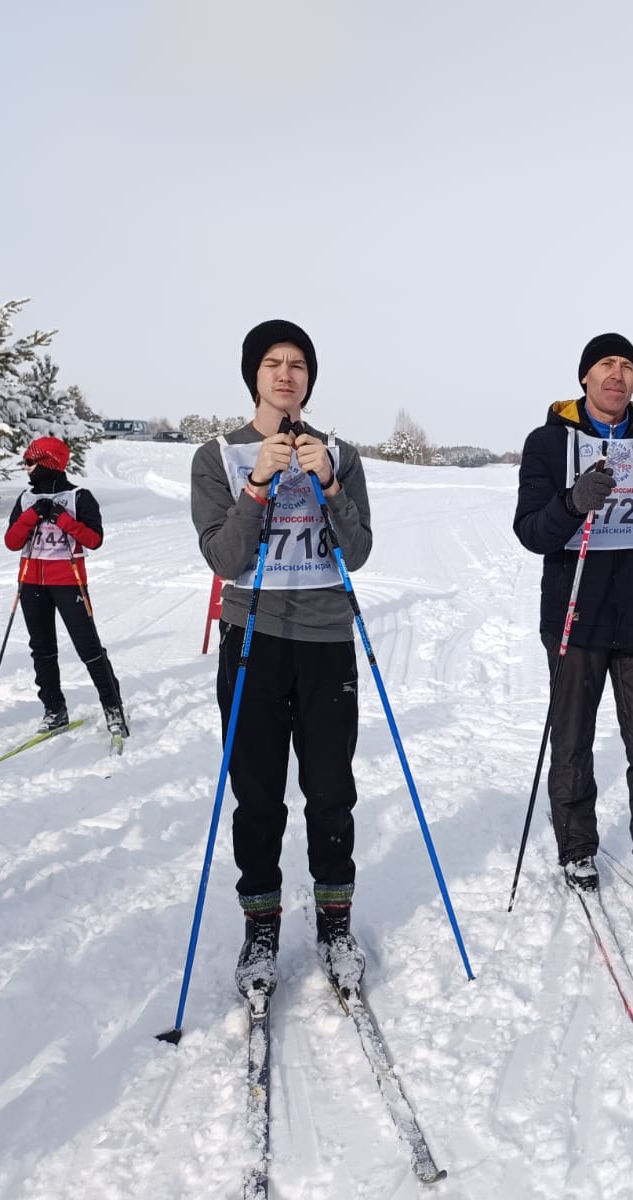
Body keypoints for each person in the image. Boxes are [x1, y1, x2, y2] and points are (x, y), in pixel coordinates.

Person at [190, 319, 373, 996]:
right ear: (254, 374)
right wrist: (258, 487)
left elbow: (357, 552)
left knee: (330, 791)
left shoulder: (342, 454)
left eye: (298, 364)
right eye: (273, 362)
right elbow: (222, 557)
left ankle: (334, 924)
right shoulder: (218, 455)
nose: (286, 374)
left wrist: (330, 488)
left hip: (327, 637)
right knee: (258, 793)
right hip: (253, 640)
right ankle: (260, 926)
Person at [512, 333, 633, 924]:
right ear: (585, 378)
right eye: (606, 365)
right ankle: (576, 847)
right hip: (574, 610)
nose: (617, 375)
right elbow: (531, 531)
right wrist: (573, 502)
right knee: (571, 737)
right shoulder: (548, 442)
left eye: (627, 367)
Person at [3, 437, 128, 737]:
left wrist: (61, 518)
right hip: (31, 582)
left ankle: (112, 707)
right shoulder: (25, 499)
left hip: (68, 581)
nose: (26, 467)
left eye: (31, 462)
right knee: (42, 649)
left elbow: (93, 539)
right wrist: (33, 515)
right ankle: (54, 709)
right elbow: (11, 542)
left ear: (47, 463)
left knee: (88, 647)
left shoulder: (80, 497)